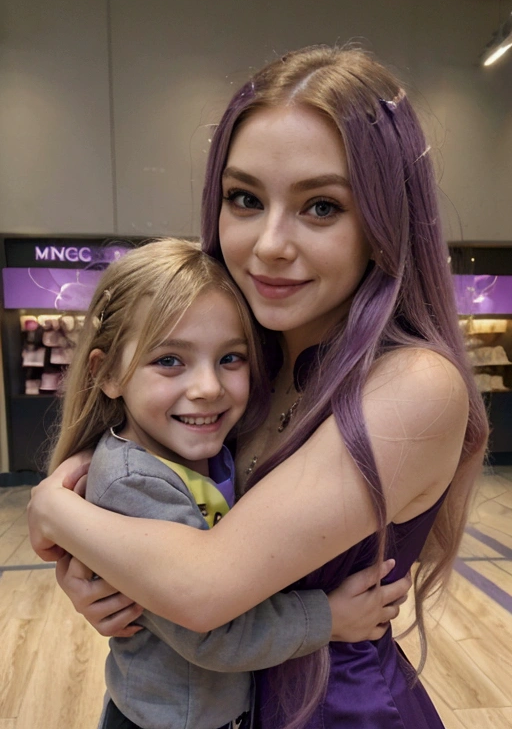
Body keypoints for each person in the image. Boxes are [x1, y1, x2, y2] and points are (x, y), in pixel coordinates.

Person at [28, 45, 488, 729]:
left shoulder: (414, 385)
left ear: (385, 223)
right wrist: (102, 577)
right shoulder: (242, 367)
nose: (269, 243)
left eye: (322, 206)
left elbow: (206, 587)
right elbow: (168, 532)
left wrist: (51, 512)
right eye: (244, 198)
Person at [45, 237, 404, 729]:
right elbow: (209, 632)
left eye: (230, 359)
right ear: (107, 374)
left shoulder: (202, 449)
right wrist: (331, 618)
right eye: (169, 360)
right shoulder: (133, 484)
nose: (208, 388)